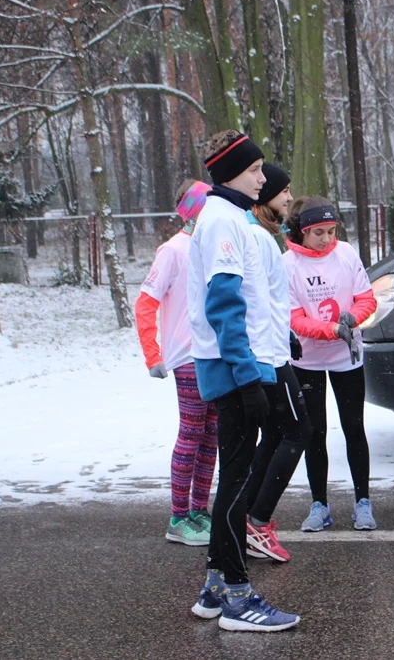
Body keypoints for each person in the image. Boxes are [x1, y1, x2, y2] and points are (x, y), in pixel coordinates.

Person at [187, 130, 299, 632]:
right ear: (231, 173)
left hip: (239, 364)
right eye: (255, 170)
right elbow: (225, 305)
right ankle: (237, 596)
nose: (262, 177)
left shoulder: (228, 216)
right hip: (233, 367)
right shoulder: (222, 222)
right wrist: (247, 375)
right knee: (235, 484)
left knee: (233, 478)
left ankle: (215, 588)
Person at [283, 196, 378, 531]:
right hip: (307, 360)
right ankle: (319, 504)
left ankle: (363, 502)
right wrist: (332, 329)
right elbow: (295, 319)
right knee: (314, 432)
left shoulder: (346, 254)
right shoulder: (288, 264)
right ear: (303, 232)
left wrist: (352, 318)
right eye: (318, 232)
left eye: (331, 231)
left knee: (354, 428)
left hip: (346, 357)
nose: (326, 239)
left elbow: (367, 299)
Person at [135, 180, 217, 547]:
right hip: (187, 357)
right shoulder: (173, 251)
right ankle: (178, 517)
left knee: (212, 436)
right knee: (191, 434)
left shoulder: (212, 246)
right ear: (193, 211)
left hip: (215, 354)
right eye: (208, 205)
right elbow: (145, 302)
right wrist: (153, 354)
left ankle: (199, 510)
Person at [242, 162, 312, 562]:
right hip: (267, 356)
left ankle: (246, 515)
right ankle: (257, 521)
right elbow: (253, 303)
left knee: (273, 435)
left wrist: (286, 333)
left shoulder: (263, 235)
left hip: (271, 350)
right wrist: (269, 354)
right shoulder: (257, 237)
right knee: (298, 433)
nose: (289, 197)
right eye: (283, 191)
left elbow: (269, 300)